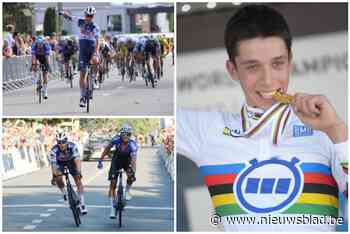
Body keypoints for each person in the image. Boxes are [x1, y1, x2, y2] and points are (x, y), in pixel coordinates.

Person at [177, 4, 347, 232]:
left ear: (290, 61)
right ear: (232, 70)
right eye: (253, 67)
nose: (268, 80)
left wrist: (338, 132)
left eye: (278, 63)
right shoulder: (207, 130)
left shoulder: (327, 131)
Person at [60, 6, 100, 107]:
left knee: (96, 61)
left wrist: (96, 52)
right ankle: (82, 97)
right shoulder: (80, 21)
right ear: (85, 15)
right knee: (82, 74)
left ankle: (95, 78)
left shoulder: (95, 27)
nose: (88, 17)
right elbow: (70, 17)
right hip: (82, 50)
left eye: (90, 16)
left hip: (92, 49)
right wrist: (62, 13)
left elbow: (98, 41)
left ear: (93, 16)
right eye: (87, 15)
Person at [97, 124, 138, 219]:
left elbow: (134, 160)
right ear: (121, 135)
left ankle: (127, 191)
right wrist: (100, 160)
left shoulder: (133, 144)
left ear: (130, 135)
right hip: (116, 160)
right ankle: (112, 209)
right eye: (124, 134)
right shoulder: (116, 139)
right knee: (113, 184)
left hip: (127, 160)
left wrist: (132, 172)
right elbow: (107, 149)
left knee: (131, 176)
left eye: (128, 134)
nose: (126, 136)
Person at [50, 131, 88, 215]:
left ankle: (82, 203)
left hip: (71, 161)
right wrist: (54, 176)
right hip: (60, 163)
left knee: (78, 180)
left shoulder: (72, 146)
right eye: (59, 142)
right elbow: (53, 164)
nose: (61, 144)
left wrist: (79, 172)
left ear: (66, 141)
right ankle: (64, 193)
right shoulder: (54, 150)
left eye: (63, 142)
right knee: (58, 178)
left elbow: (77, 160)